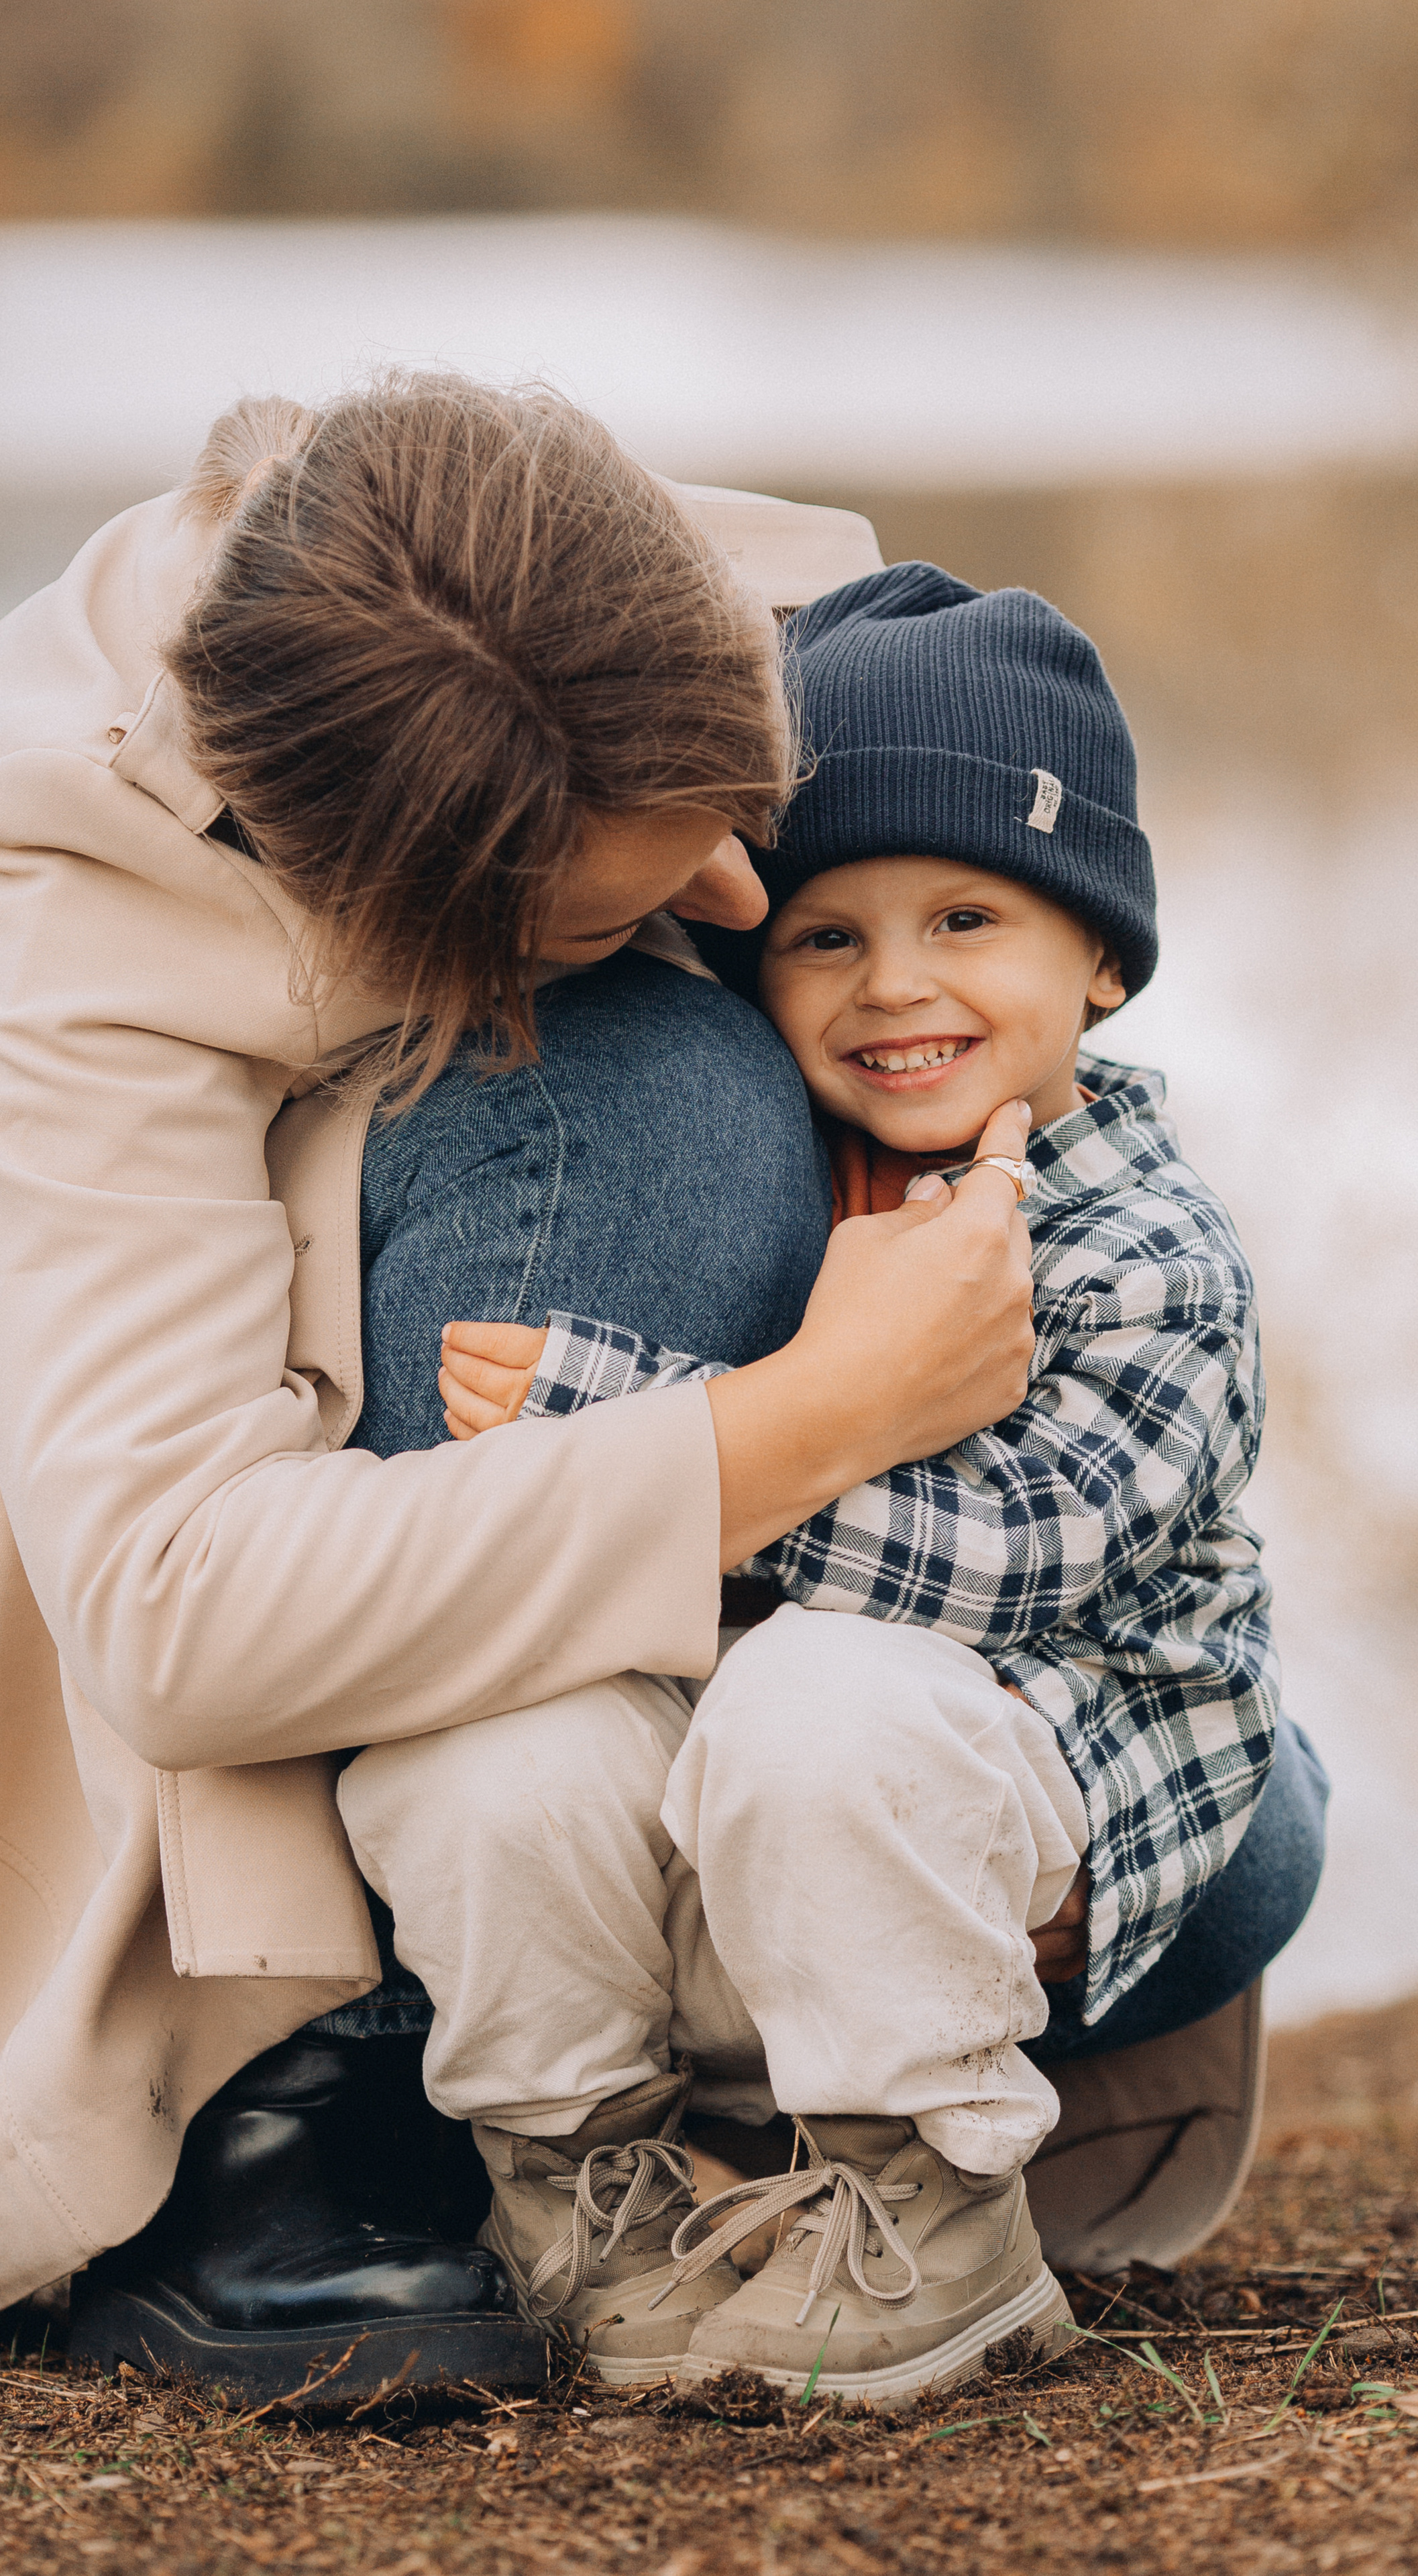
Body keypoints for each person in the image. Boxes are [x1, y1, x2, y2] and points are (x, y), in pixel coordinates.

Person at [0, 374, 1038, 2408]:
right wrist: (810, 1419)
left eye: (741, 823)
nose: (748, 905)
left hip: (804, 1701)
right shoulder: (73, 927)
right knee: (640, 1084)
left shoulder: (599, 606)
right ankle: (338, 2072)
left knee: (1251, 1835)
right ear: (362, 896)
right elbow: (171, 1607)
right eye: (624, 893)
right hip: (215, 1603)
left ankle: (780, 1946)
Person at [379, 564, 1327, 2410]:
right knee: (486, 1746)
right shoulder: (782, 1194)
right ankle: (586, 2200)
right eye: (825, 937)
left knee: (829, 1693)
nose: (897, 983)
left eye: (967, 917)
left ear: (1101, 962)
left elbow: (1015, 1559)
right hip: (783, 1855)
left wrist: (635, 1431)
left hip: (1023, 1835)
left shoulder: (1152, 1251)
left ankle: (928, 2220)